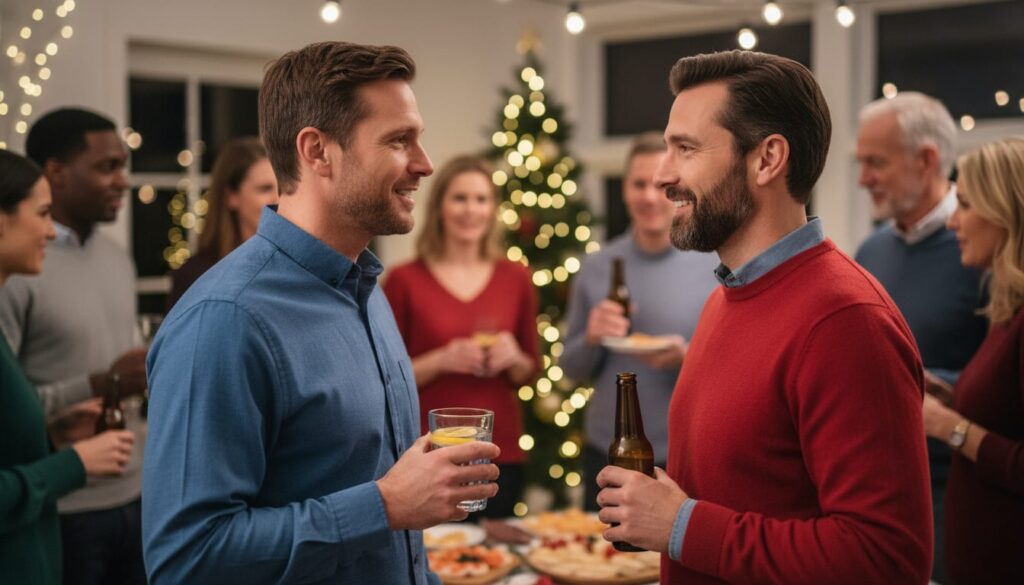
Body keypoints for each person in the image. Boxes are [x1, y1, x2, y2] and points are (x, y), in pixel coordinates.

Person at [142, 41, 500, 585]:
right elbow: (185, 560)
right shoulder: (225, 319)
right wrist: (383, 505)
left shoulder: (367, 289)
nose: (424, 164)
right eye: (398, 141)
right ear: (317, 151)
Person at [595, 50, 932, 584]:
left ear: (767, 159)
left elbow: (887, 559)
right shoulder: (724, 299)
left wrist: (682, 526)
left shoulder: (847, 321)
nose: (662, 176)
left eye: (685, 148)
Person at [0, 108, 148, 585]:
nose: (123, 181)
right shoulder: (19, 272)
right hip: (59, 505)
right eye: (107, 167)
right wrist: (98, 385)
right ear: (57, 173)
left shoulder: (117, 259)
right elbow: (13, 410)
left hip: (132, 491)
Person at [854, 93, 988, 583]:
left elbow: (1008, 376)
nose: (863, 178)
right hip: (873, 487)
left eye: (876, 162)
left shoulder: (985, 247)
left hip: (957, 493)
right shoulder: (869, 252)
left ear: (927, 160)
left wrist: (936, 386)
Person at [560, 132, 718, 511]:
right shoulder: (597, 267)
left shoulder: (712, 265)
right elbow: (570, 369)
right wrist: (592, 336)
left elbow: (735, 371)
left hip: (685, 451)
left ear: (676, 189)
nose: (648, 197)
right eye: (637, 184)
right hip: (608, 449)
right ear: (624, 189)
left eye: (659, 185)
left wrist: (685, 358)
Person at [383, 155, 538, 518]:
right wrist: (441, 360)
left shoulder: (516, 277)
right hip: (429, 452)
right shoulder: (404, 280)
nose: (471, 210)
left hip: (499, 451)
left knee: (496, 550)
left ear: (493, 209)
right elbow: (385, 379)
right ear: (439, 207)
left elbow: (529, 371)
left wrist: (513, 358)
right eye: (460, 198)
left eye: (481, 199)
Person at [921, 137, 1024, 584]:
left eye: (964, 204)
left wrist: (948, 426)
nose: (952, 222)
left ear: (1006, 210)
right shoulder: (1008, 310)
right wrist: (952, 393)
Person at [166, 136, 278, 309]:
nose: (278, 199)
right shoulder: (197, 276)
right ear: (230, 196)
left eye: (283, 188)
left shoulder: (288, 268)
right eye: (265, 189)